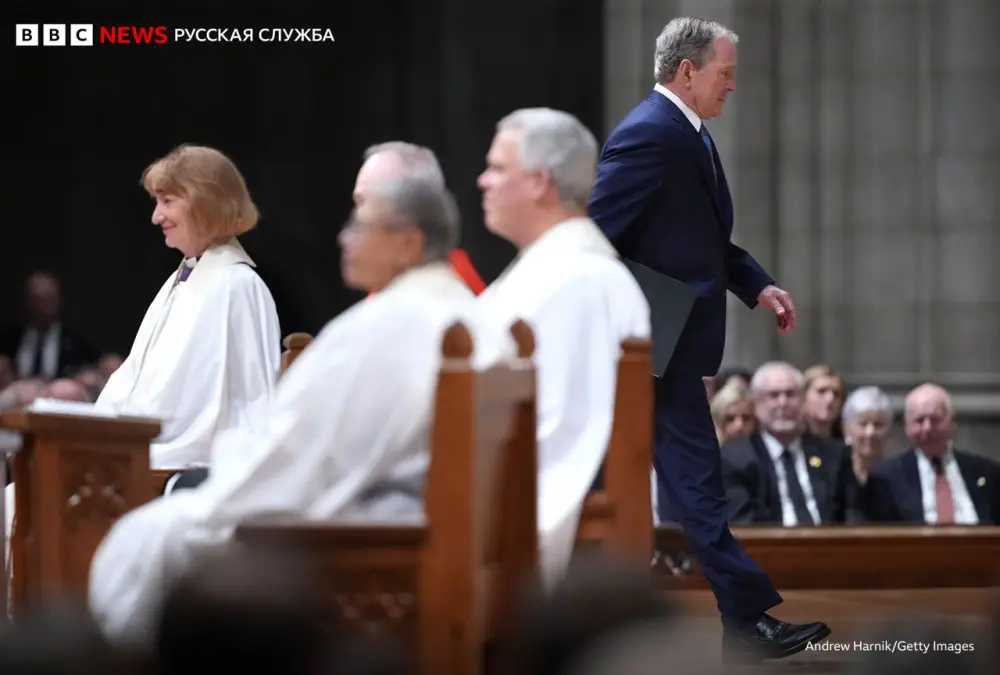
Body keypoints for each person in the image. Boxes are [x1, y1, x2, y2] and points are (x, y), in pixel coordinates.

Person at [89, 173, 504, 645]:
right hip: (424, 522)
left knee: (145, 539)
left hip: (372, 537)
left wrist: (220, 480)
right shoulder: (476, 316)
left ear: (408, 243)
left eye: (360, 226)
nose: (344, 238)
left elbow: (297, 452)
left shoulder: (383, 325)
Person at [587, 17, 828, 660]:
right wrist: (639, 318)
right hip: (646, 350)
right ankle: (734, 622)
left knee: (693, 485)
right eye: (726, 74)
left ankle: (737, 622)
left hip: (664, 351)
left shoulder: (684, 132)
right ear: (688, 72)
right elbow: (590, 240)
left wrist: (755, 283)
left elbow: (700, 240)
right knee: (683, 486)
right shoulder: (649, 134)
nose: (733, 88)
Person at [477, 107, 650, 584]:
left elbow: (564, 437)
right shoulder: (541, 274)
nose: (482, 181)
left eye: (497, 168)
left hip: (530, 537)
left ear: (539, 181)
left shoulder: (579, 281)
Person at [95, 144, 282, 470]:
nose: (156, 217)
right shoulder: (181, 279)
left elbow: (247, 406)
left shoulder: (237, 286)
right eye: (156, 202)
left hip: (181, 463)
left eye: (167, 202)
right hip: (143, 446)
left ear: (206, 202)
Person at [356, 142, 487, 295]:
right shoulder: (391, 283)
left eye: (366, 202)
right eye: (357, 203)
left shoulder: (452, 292)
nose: (357, 217)